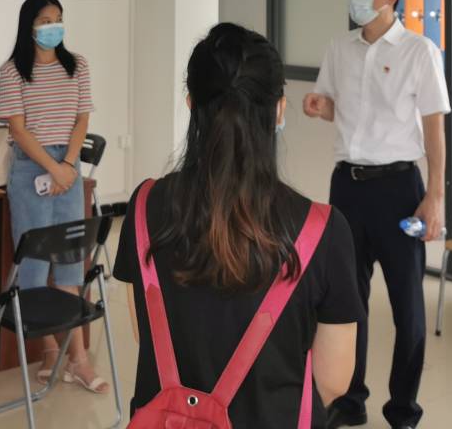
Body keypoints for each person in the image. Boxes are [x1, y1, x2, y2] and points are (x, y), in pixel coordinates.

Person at [114, 22, 361, 426]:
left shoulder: (144, 205)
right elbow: (333, 380)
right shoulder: (323, 231)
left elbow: (145, 332)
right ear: (279, 110)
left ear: (191, 103)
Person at [303, 0, 448, 429]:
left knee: (407, 305)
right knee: (347, 299)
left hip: (399, 188)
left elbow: (434, 128)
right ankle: (350, 399)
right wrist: (319, 106)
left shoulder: (419, 51)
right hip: (347, 185)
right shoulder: (340, 48)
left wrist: (435, 197)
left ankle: (403, 407)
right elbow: (334, 109)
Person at [0, 0, 104, 393]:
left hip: (68, 170)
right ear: (30, 26)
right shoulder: (12, 71)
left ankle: (78, 359)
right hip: (31, 169)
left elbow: (82, 119)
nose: (52, 26)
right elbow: (18, 129)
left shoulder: (78, 66)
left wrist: (68, 166)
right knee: (35, 266)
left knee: (71, 262)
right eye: (44, 20)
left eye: (57, 19)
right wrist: (53, 167)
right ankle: (47, 350)